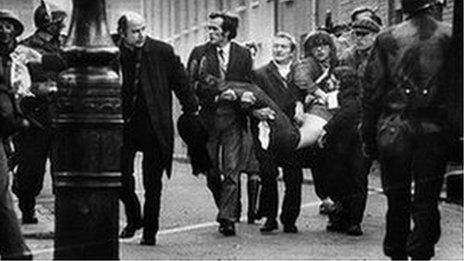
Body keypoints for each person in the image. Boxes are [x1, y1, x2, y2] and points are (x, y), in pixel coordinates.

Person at [361, 0, 452, 259]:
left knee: (396, 198)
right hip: (435, 129)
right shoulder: (450, 36)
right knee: (427, 199)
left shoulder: (387, 38)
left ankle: (396, 251)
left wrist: (368, 137)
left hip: (394, 127)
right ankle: (421, 251)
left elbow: (372, 92)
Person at [117, 12, 198, 246]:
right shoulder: (113, 52)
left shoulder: (162, 51)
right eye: (135, 31)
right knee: (119, 176)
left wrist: (191, 110)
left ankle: (149, 231)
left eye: (143, 29)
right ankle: (134, 217)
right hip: (124, 126)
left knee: (153, 182)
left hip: (154, 126)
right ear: (123, 33)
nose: (141, 35)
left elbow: (181, 82)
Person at [186, 12, 253, 236]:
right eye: (210, 29)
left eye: (215, 29)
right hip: (209, 120)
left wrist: (241, 95)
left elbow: (248, 83)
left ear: (227, 32)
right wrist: (215, 96)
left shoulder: (243, 54)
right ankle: (227, 206)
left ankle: (228, 218)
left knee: (232, 169)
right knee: (211, 171)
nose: (211, 33)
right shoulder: (200, 53)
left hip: (234, 119)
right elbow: (190, 84)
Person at [12, 0, 67, 224]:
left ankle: (63, 214)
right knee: (30, 170)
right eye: (58, 22)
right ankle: (27, 209)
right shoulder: (24, 47)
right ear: (48, 23)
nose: (62, 26)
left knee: (63, 170)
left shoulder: (65, 46)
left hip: (61, 115)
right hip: (35, 117)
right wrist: (37, 89)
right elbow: (18, 81)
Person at [252, 32, 304, 233]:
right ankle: (270, 217)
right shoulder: (260, 74)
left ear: (292, 52)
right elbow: (250, 100)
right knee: (268, 174)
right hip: (267, 132)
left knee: (293, 176)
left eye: (283, 47)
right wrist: (256, 112)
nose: (279, 50)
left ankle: (290, 219)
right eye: (276, 46)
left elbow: (307, 95)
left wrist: (301, 105)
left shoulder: (300, 74)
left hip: (292, 132)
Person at [0, 9, 38, 260]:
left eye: (8, 26)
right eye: (0, 26)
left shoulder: (18, 58)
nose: (4, 31)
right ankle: (16, 252)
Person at [297, 30, 339, 215]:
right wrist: (319, 94)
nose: (320, 50)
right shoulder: (310, 64)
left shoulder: (338, 63)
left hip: (340, 112)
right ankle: (326, 196)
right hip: (319, 112)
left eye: (324, 45)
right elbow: (301, 78)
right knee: (319, 156)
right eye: (315, 46)